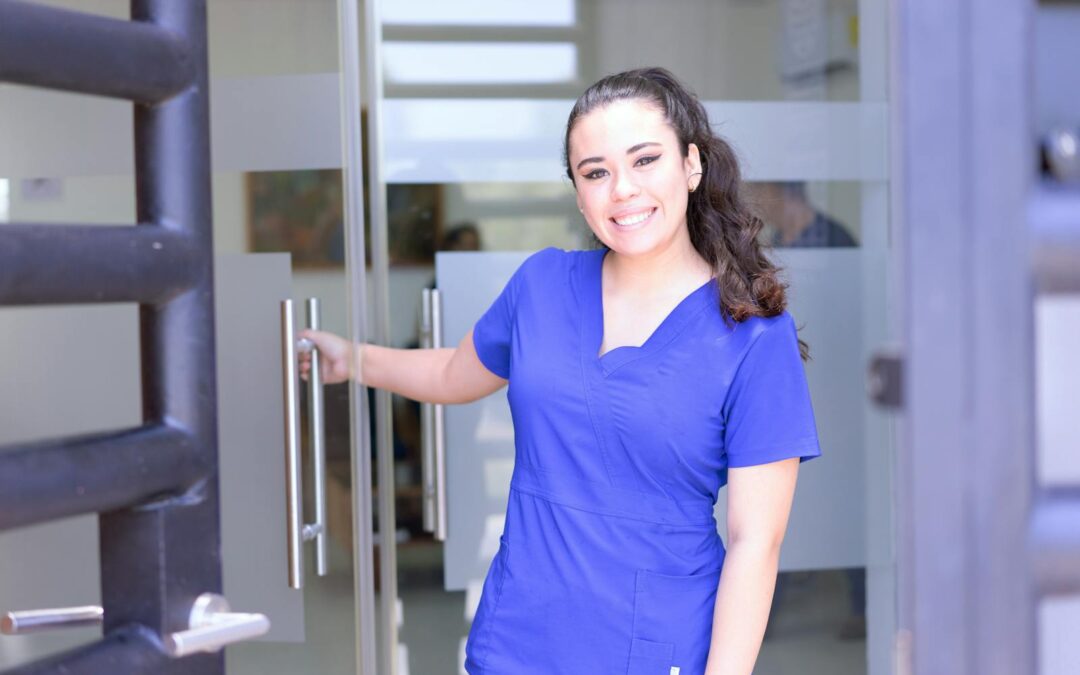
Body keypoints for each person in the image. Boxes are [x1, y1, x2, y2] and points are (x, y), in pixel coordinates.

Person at [298, 67, 821, 675]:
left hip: (653, 646)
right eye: (595, 172)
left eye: (645, 160)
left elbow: (755, 544)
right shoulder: (541, 286)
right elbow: (451, 374)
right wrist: (353, 358)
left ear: (692, 165)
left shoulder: (753, 332)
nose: (622, 189)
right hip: (516, 637)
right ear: (578, 192)